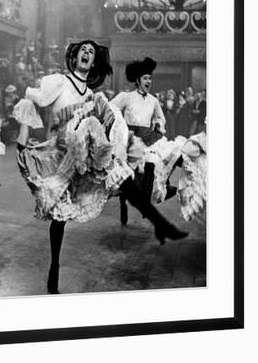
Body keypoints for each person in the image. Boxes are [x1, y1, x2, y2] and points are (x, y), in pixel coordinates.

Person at [13, 40, 188, 294]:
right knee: (59, 217)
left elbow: (110, 120)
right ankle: (54, 266)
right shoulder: (60, 82)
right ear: (74, 58)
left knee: (122, 178)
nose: (86, 53)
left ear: (94, 62)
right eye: (82, 50)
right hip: (61, 155)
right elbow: (35, 97)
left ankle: (157, 220)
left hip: (85, 158)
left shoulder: (92, 96)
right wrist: (25, 125)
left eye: (91, 52)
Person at [111, 58, 206, 225]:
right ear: (138, 80)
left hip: (148, 139)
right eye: (145, 78)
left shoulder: (153, 100)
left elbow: (161, 118)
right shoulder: (126, 97)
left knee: (154, 162)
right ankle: (124, 204)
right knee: (128, 174)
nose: (149, 81)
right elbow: (110, 109)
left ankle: (147, 205)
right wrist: (120, 126)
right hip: (130, 140)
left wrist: (158, 124)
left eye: (150, 78)